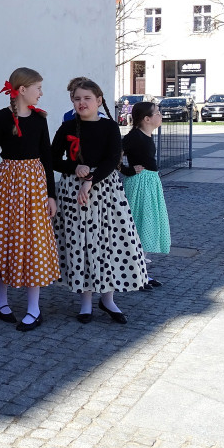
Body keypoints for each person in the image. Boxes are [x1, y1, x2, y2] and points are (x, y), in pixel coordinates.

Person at [51, 77, 147, 324]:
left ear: (99, 100)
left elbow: (113, 159)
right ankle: (85, 301)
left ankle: (108, 298)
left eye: (87, 98)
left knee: (108, 243)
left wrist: (90, 178)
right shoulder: (67, 127)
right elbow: (51, 159)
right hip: (74, 194)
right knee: (81, 244)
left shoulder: (109, 127)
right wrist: (75, 168)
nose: (82, 103)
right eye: (77, 98)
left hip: (105, 192)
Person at [0, 68, 59, 332]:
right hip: (7, 184)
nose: (41, 93)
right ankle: (1, 301)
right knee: (4, 239)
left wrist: (51, 194)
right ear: (22, 90)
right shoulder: (0, 118)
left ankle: (34, 308)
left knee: (33, 241)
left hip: (34, 185)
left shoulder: (39, 119)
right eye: (38, 88)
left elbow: (47, 158)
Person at [121, 101, 169, 288]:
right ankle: (135, 273)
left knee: (148, 223)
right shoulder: (134, 136)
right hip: (139, 184)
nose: (160, 115)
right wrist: (127, 170)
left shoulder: (146, 135)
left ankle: (140, 272)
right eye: (157, 113)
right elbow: (115, 153)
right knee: (139, 224)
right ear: (146, 119)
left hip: (150, 182)